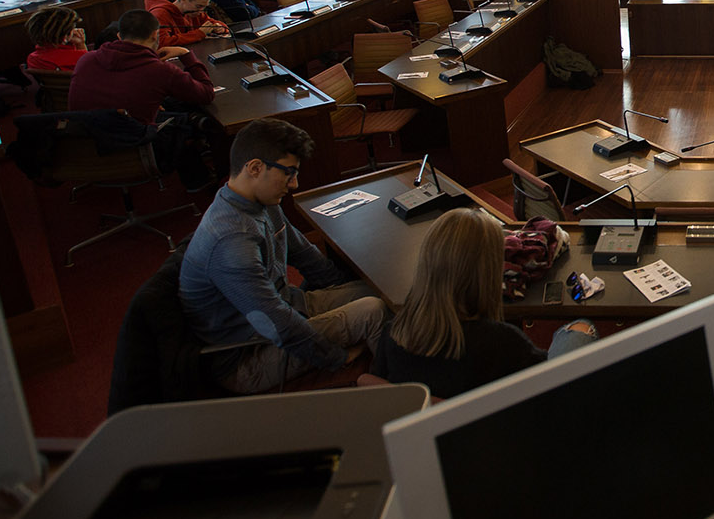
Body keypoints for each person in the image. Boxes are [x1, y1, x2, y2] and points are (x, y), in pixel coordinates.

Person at [180, 119, 386, 394]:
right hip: (249, 357)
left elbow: (305, 255)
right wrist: (337, 357)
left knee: (378, 291)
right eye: (288, 173)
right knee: (373, 310)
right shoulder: (231, 241)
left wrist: (341, 285)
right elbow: (275, 323)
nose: (294, 183)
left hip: (288, 306)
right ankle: (395, 394)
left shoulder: (262, 203)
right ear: (255, 168)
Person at [372, 209, 595, 398]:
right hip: (518, 425)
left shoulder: (394, 331)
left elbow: (376, 382)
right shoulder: (500, 341)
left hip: (439, 431)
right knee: (579, 329)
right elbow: (548, 388)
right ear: (488, 271)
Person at [68, 8, 214, 123]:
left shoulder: (85, 59)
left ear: (119, 36)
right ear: (154, 35)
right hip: (134, 141)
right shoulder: (160, 71)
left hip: (83, 141)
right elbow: (206, 94)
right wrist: (186, 55)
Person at [146, 0, 228, 47]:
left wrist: (220, 28)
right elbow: (161, 42)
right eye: (198, 6)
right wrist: (198, 34)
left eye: (204, 7)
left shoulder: (194, 12)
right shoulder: (160, 14)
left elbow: (214, 23)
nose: (201, 11)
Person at [24, 7, 87, 71]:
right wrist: (81, 44)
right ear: (65, 35)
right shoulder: (78, 58)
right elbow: (89, 67)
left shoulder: (32, 58)